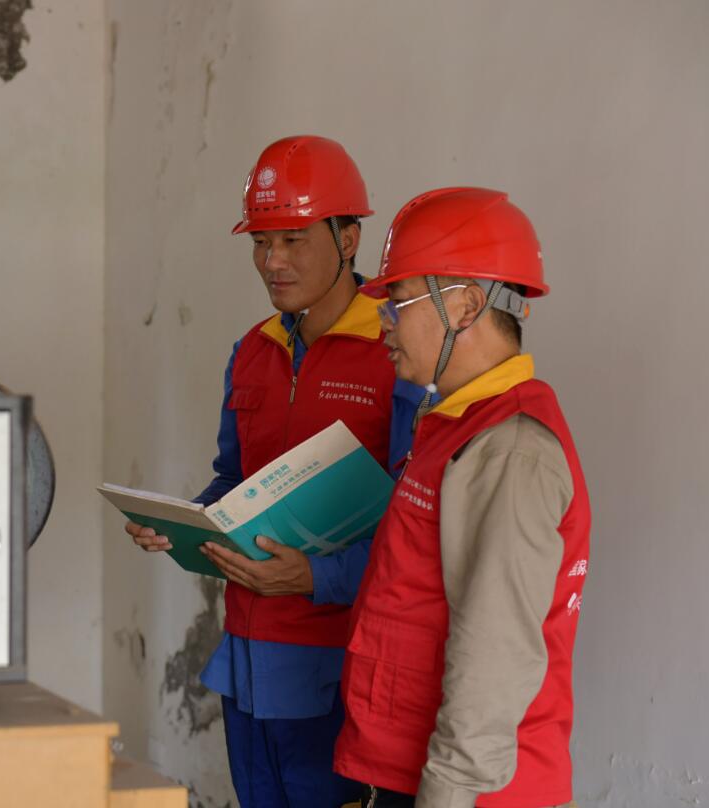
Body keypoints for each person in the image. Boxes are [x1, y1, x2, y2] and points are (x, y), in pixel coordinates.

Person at [125, 135, 425, 807]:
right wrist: (186, 524)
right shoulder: (252, 352)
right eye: (261, 242)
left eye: (292, 240)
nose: (272, 261)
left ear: (348, 238)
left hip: (345, 660)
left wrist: (316, 576)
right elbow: (234, 477)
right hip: (249, 656)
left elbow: (421, 528)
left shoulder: (398, 352)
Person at [332, 187, 591, 808]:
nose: (384, 324)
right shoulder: (455, 426)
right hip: (407, 770)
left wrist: (447, 795)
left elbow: (495, 653)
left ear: (466, 306)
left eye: (398, 302)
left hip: (471, 793)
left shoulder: (511, 449)